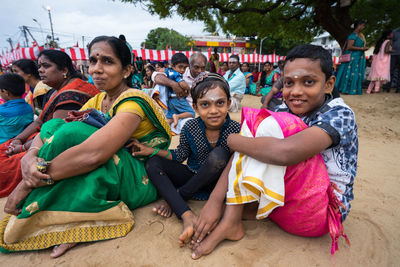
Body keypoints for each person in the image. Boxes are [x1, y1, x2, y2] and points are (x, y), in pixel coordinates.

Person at [0, 36, 171, 258]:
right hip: (111, 164)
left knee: (77, 137)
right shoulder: (99, 100)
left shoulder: (133, 101)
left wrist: (26, 184)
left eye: (107, 62)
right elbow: (53, 128)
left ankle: (66, 216)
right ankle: (56, 211)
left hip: (141, 175)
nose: (97, 69)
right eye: (93, 61)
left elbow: (94, 154)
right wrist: (30, 155)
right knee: (57, 124)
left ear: (127, 70)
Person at [190, 44, 358, 259]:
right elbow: (251, 146)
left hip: (321, 213)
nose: (296, 91)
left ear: (328, 84)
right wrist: (214, 201)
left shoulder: (340, 114)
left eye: (308, 82)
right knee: (259, 127)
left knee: (266, 128)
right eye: (289, 83)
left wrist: (232, 140)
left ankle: (231, 220)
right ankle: (234, 213)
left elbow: (285, 153)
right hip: (282, 206)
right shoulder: (285, 108)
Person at [131, 72, 240, 247]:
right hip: (192, 176)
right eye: (205, 104)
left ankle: (176, 197)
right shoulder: (190, 126)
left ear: (228, 103)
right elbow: (180, 155)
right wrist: (149, 150)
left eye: (220, 103)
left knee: (219, 156)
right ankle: (186, 213)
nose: (213, 110)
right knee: (153, 163)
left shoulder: (236, 128)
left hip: (220, 186)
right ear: (195, 107)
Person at [0, 50, 99, 198]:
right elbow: (39, 120)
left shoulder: (72, 92)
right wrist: (17, 139)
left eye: (46, 66)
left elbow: (54, 136)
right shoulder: (56, 90)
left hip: (56, 147)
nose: (40, 70)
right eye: (39, 66)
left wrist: (21, 148)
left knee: (4, 168)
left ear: (64, 70)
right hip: (39, 139)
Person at [335, 20, 368, 95]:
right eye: (363, 25)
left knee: (355, 73)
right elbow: (349, 47)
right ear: (358, 25)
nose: (363, 27)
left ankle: (353, 89)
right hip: (353, 58)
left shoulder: (360, 36)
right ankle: (347, 89)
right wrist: (362, 49)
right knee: (351, 72)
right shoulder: (353, 36)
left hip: (358, 57)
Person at [0, 73, 33, 144]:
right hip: (23, 144)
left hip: (4, 147)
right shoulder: (29, 107)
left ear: (6, 92)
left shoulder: (1, 111)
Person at [383, 27, 400, 93]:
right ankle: (387, 87)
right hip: (394, 55)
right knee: (390, 71)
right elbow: (389, 41)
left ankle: (398, 89)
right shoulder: (394, 32)